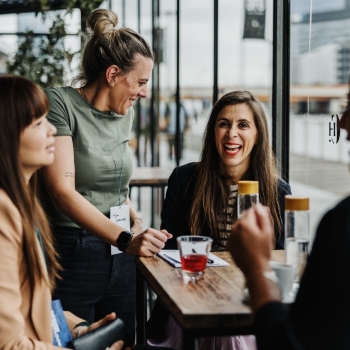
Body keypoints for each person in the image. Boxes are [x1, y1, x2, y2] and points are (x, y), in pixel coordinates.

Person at [39, 8, 172, 334]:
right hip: (73, 251)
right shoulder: (60, 104)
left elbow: (116, 190)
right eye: (140, 82)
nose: (144, 92)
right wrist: (128, 238)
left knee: (121, 340)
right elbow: (62, 192)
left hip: (120, 250)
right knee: (73, 340)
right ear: (112, 74)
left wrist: (138, 223)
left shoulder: (123, 114)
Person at [147, 90, 291, 349]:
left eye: (243, 125)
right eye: (223, 124)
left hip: (249, 301)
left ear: (258, 136)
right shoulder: (184, 179)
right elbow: (169, 250)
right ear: (213, 132)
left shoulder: (278, 191)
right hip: (191, 300)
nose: (231, 133)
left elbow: (279, 258)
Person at [0, 75, 129, 350]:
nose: (51, 131)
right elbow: (10, 344)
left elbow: (31, 305)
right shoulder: (3, 215)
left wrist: (80, 331)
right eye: (38, 123)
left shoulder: (24, 203)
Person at [227, 92, 350, 349]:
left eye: (349, 106)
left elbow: (290, 343)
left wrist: (256, 268)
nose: (341, 122)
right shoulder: (185, 180)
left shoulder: (340, 225)